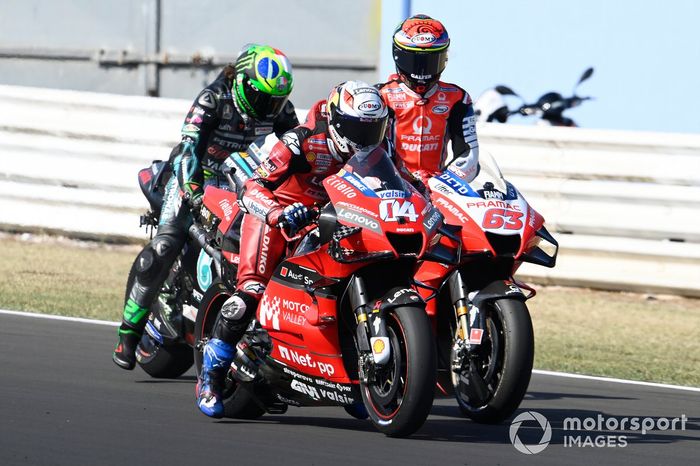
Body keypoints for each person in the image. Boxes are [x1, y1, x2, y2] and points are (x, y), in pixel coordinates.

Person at [196, 80, 390, 418]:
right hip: (277, 219)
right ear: (338, 121)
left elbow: (399, 182)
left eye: (373, 128)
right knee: (251, 293)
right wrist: (277, 212)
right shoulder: (301, 141)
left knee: (345, 288)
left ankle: (352, 378)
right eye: (359, 128)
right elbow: (253, 186)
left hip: (329, 222)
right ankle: (210, 379)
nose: (365, 137)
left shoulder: (377, 150)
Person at [113, 44, 298, 370]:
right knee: (166, 244)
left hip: (237, 176)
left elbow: (299, 148)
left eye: (276, 101)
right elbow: (187, 149)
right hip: (193, 174)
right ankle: (129, 334)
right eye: (262, 98)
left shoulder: (278, 111)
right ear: (242, 82)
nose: (269, 108)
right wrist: (193, 192)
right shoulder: (213, 99)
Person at [376, 14, 480, 185]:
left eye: (431, 61)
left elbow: (469, 156)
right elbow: (366, 151)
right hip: (389, 185)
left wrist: (443, 184)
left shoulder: (458, 98)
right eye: (414, 61)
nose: (422, 71)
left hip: (438, 187)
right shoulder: (381, 96)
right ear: (398, 56)